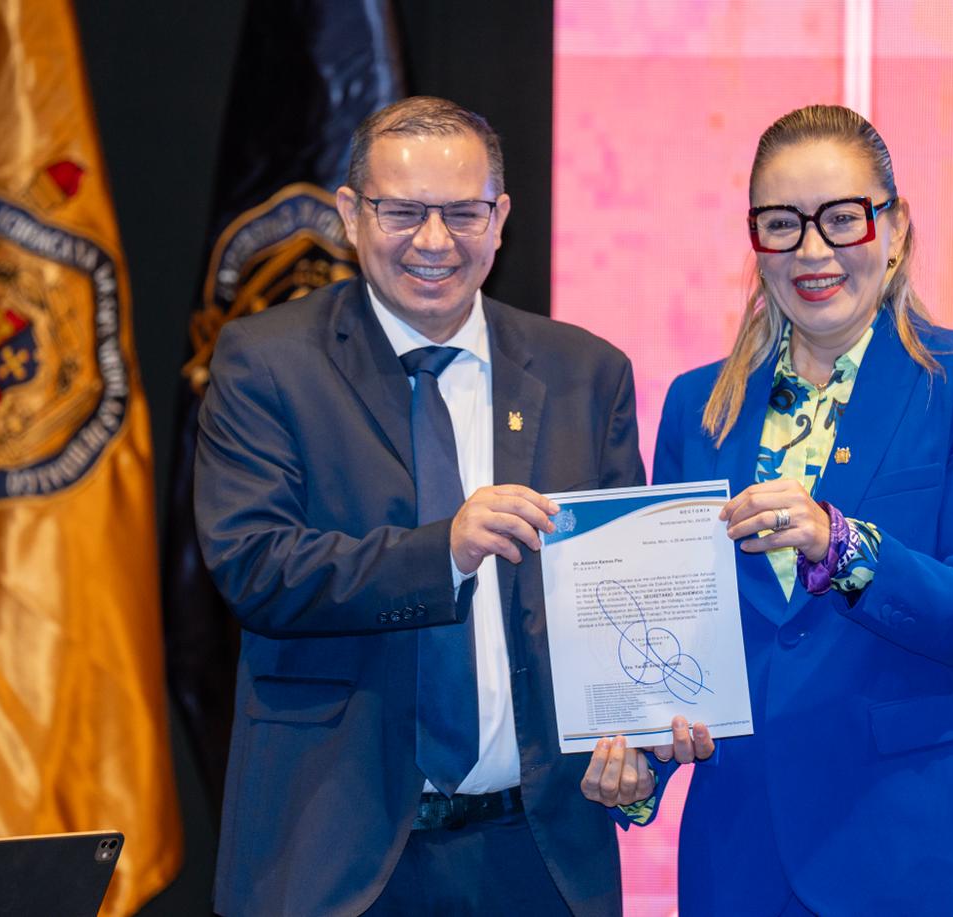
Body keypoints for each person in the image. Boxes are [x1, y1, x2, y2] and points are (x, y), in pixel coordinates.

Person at [194, 96, 644, 917]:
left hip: (538, 857)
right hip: (335, 859)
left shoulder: (587, 373)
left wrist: (647, 739)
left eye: (462, 213)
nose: (434, 241)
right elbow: (254, 566)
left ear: (499, 218)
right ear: (350, 214)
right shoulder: (267, 362)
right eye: (402, 212)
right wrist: (445, 551)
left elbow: (624, 596)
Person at [602, 104, 953, 916]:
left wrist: (842, 544)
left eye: (842, 218)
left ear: (895, 228)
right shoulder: (698, 406)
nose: (812, 251)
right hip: (743, 858)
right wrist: (641, 763)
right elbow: (681, 634)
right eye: (782, 223)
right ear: (756, 240)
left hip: (925, 852)